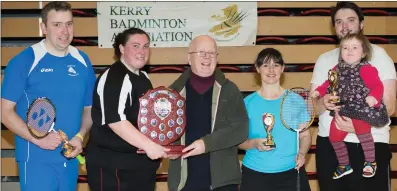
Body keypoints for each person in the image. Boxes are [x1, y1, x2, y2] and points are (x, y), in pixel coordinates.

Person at [1, 2, 96, 191]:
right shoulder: (24, 61)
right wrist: (39, 140)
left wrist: (80, 136)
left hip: (69, 159)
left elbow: (89, 108)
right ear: (43, 27)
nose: (64, 31)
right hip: (36, 160)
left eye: (69, 24)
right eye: (57, 25)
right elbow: (4, 112)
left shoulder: (82, 60)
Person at [310, 2, 396, 191]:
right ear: (334, 27)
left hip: (370, 143)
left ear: (362, 24)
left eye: (350, 20)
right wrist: (323, 102)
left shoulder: (380, 57)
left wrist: (358, 123)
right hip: (330, 145)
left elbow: (389, 107)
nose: (344, 26)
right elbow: (313, 107)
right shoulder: (324, 60)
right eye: (339, 22)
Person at [85, 27, 170, 191]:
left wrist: (154, 154)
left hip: (138, 166)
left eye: (146, 46)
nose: (142, 51)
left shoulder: (143, 77)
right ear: (122, 48)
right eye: (136, 46)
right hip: (113, 168)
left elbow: (148, 121)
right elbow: (116, 121)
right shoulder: (115, 77)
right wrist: (149, 147)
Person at [167, 35, 248, 191]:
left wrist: (206, 144)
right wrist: (169, 147)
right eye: (201, 52)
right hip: (184, 182)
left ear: (217, 58)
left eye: (211, 53)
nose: (207, 57)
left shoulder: (230, 90)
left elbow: (240, 130)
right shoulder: (172, 93)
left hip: (223, 183)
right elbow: (167, 133)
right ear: (189, 59)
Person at [312, 33, 389, 179]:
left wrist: (374, 98)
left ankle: (370, 162)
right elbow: (328, 83)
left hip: (361, 108)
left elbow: (377, 86)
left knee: (363, 133)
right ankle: (344, 164)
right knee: (334, 137)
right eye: (345, 48)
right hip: (343, 108)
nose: (349, 51)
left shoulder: (366, 69)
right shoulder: (337, 68)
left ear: (364, 52)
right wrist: (318, 91)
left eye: (354, 47)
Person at [238, 48, 312, 191]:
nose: (271, 70)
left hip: (291, 173)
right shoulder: (247, 103)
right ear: (257, 68)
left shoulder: (295, 100)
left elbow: (305, 136)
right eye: (265, 65)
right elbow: (239, 142)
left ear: (282, 68)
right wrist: (254, 143)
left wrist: (302, 153)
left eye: (276, 65)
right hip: (255, 175)